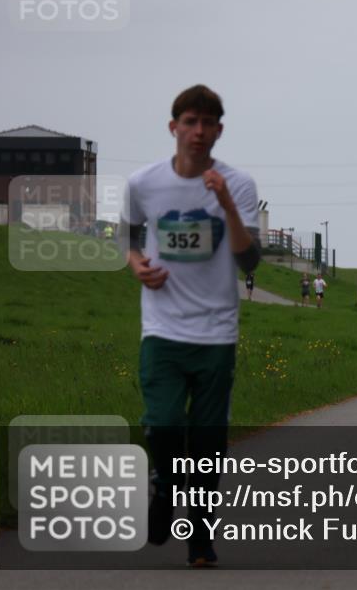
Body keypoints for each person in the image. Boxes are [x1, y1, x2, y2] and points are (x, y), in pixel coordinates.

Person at [123, 85, 260, 568]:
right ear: (173, 127)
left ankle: (200, 535)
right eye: (189, 122)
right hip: (161, 329)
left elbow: (249, 260)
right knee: (162, 423)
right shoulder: (144, 182)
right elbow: (129, 234)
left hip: (216, 332)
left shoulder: (238, 184)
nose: (198, 131)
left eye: (207, 123)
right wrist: (136, 263)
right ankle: (165, 485)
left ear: (219, 131)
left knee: (207, 443)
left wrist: (227, 205)